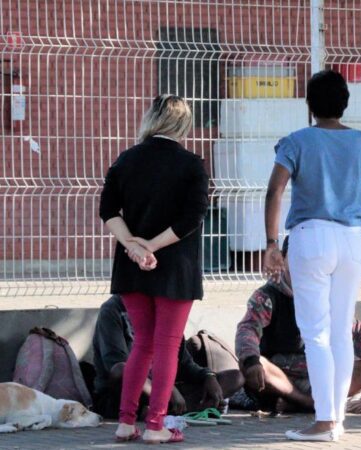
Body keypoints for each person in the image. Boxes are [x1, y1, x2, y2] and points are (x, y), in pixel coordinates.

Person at [262, 70, 361, 442]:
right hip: (353, 240)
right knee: (340, 332)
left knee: (316, 333)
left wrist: (271, 244)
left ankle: (325, 422)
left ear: (309, 105)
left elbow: (275, 191)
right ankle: (335, 419)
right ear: (346, 103)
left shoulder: (297, 141)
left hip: (310, 238)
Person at [98, 94, 209, 444]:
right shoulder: (192, 164)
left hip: (131, 269)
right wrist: (153, 246)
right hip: (176, 269)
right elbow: (192, 218)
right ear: (183, 124)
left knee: (142, 345)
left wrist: (133, 246)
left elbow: (108, 211)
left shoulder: (126, 160)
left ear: (151, 120)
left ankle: (126, 422)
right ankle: (156, 426)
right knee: (166, 346)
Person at [236, 238, 361, 413]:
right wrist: (251, 360)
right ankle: (306, 402)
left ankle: (307, 402)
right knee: (258, 365)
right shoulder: (267, 297)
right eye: (297, 259)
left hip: (321, 374)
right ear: (283, 260)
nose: (303, 266)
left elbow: (356, 332)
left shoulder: (328, 295)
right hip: (281, 379)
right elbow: (248, 329)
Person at [92, 295, 244, 420]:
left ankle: (172, 410)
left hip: (172, 389)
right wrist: (167, 389)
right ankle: (182, 409)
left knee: (235, 377)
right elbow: (116, 366)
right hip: (128, 394)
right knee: (123, 370)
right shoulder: (113, 310)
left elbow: (185, 364)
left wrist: (208, 375)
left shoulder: (166, 307)